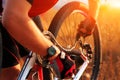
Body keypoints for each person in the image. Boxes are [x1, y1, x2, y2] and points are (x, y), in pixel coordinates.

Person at [0, 0, 100, 80]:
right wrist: (54, 54)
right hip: (10, 13)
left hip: (23, 9)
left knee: (35, 67)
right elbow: (13, 17)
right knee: (10, 74)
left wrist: (92, 18)